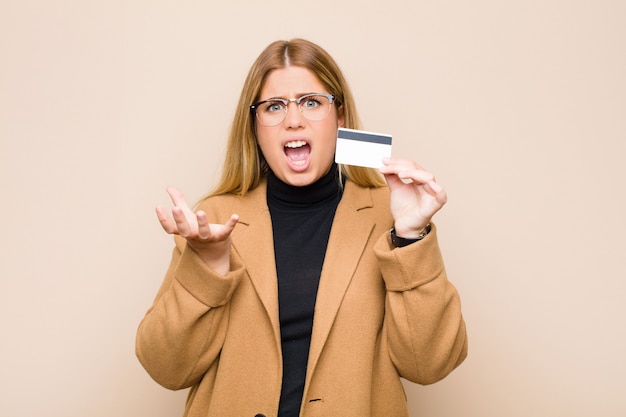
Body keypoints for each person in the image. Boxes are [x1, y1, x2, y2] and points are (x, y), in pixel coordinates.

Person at [136, 38, 467, 417]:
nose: (294, 120)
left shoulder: (387, 214)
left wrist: (410, 237)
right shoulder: (213, 218)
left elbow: (430, 366)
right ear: (255, 128)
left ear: (340, 118)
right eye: (274, 106)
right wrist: (208, 267)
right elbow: (166, 368)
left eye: (312, 102)